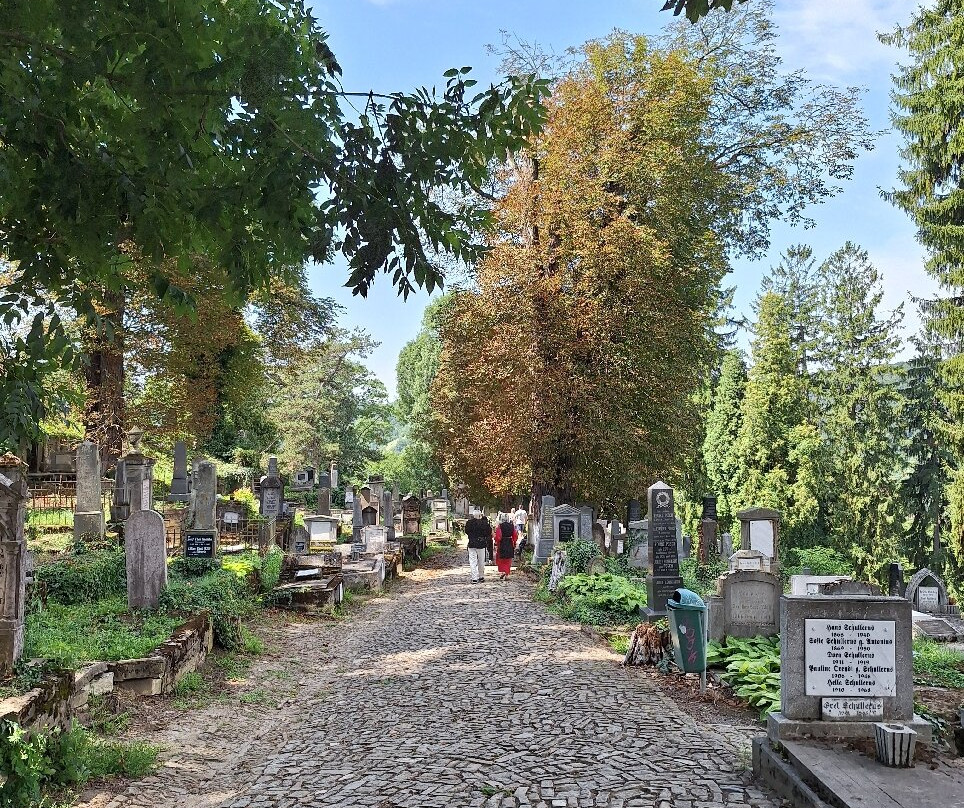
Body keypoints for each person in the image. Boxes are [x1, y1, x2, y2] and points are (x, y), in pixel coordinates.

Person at [465, 512, 489, 583]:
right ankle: (481, 576)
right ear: (480, 516)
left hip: (472, 543)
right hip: (481, 544)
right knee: (481, 561)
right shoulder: (484, 523)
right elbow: (488, 532)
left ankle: (474, 578)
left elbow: (466, 531)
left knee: (472, 561)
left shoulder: (469, 523)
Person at [493, 516, 518, 581]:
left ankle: (503, 572)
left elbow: (498, 536)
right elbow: (515, 535)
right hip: (509, 542)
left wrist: (496, 542)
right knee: (508, 559)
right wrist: (514, 542)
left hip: (502, 543)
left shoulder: (500, 526)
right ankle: (506, 574)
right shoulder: (512, 526)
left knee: (501, 559)